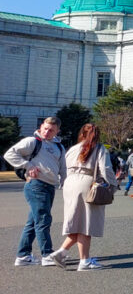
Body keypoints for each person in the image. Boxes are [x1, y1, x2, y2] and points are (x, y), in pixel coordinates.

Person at [45, 123, 117, 271]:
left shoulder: (72, 149)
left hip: (69, 182)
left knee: (77, 221)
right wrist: (112, 185)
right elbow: (106, 169)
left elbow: (62, 166)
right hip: (86, 182)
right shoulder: (99, 148)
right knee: (86, 224)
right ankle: (84, 261)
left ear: (81, 133)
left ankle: (61, 253)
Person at [3, 116, 66, 267]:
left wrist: (64, 181)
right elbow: (9, 154)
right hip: (36, 184)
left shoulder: (59, 146)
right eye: (45, 128)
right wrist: (28, 165)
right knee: (43, 220)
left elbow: (63, 167)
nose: (47, 132)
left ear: (57, 131)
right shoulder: (32, 141)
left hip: (49, 186)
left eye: (51, 130)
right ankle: (47, 254)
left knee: (33, 222)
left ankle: (23, 255)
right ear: (41, 126)